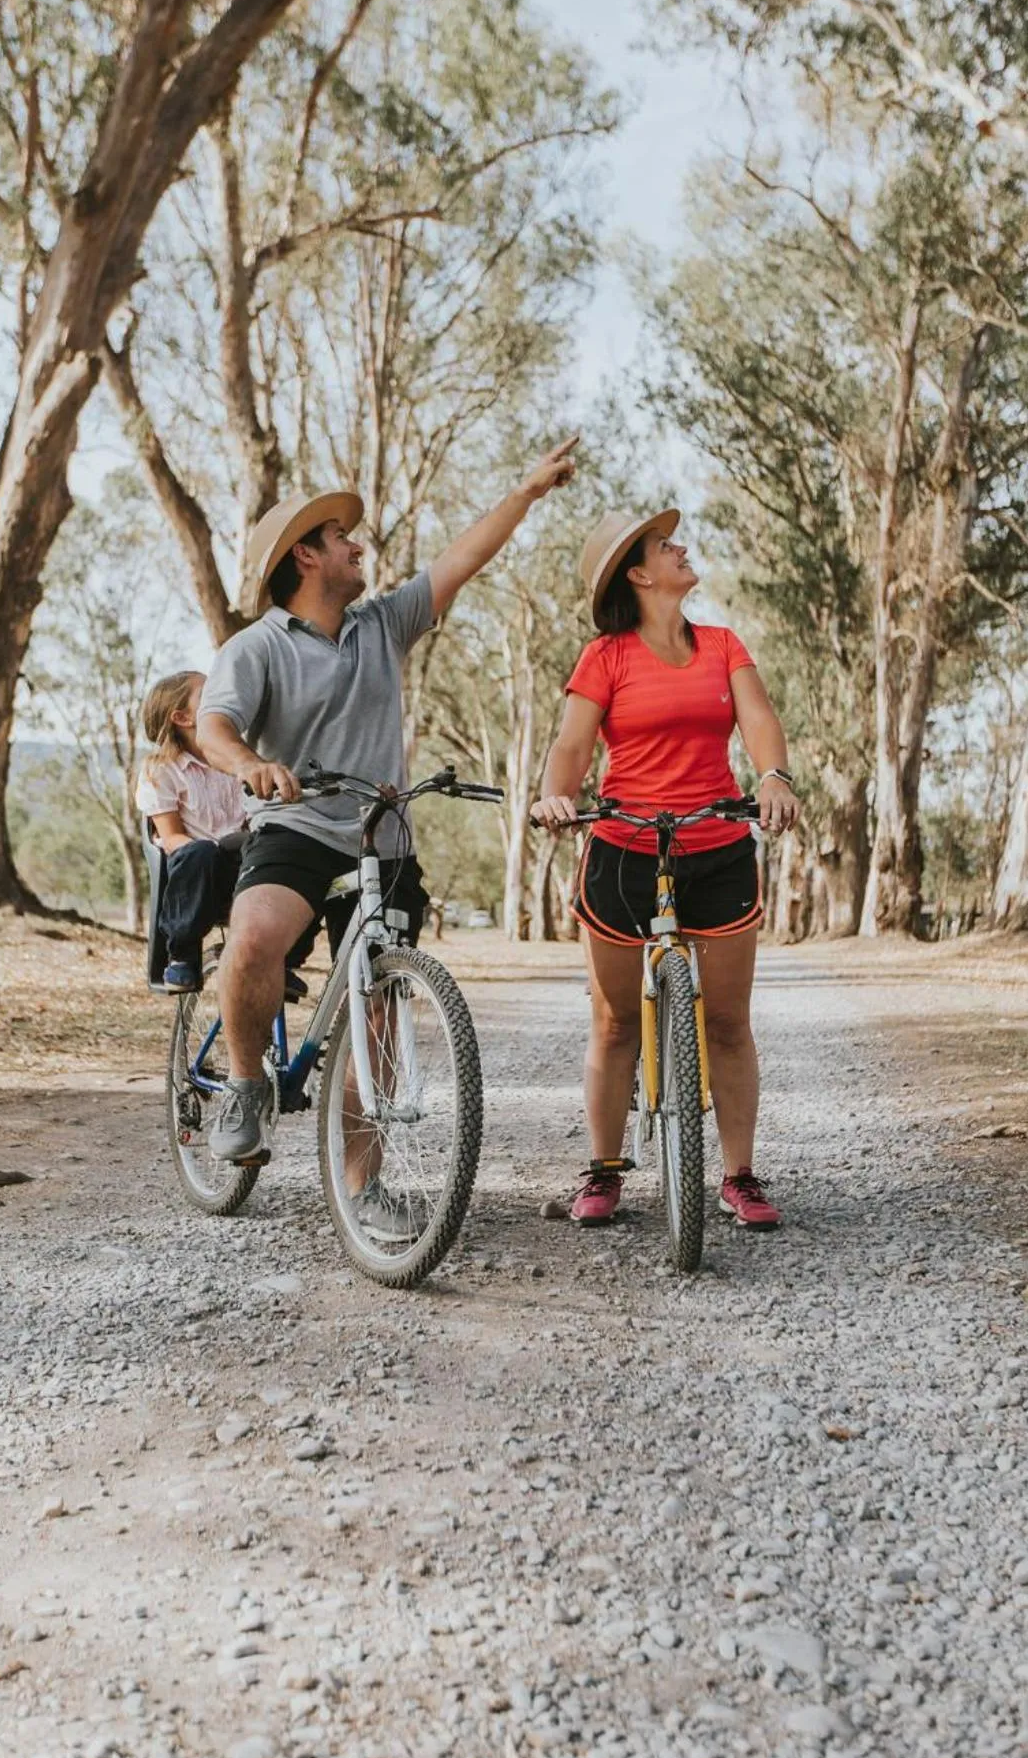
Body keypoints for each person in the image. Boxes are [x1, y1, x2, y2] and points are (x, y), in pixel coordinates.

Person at [196, 441, 579, 1215]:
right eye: (343, 539)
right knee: (254, 939)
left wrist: (528, 489)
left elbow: (461, 559)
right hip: (297, 827)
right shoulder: (258, 646)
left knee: (379, 1010)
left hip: (382, 838)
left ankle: (365, 1187)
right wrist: (251, 765)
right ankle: (243, 1087)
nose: (358, 545)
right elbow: (213, 727)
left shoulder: (382, 624)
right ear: (306, 555)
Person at [531, 507, 800, 1230]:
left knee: (728, 1022)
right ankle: (604, 1168)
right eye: (663, 545)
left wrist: (773, 776)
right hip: (622, 848)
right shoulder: (605, 656)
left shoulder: (721, 644)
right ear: (639, 574)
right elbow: (571, 743)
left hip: (716, 845)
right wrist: (558, 794)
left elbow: (760, 719)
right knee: (615, 1023)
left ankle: (738, 1175)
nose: (681, 547)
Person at [135, 669, 247, 990]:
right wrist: (208, 849)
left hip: (240, 863)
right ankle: (182, 954)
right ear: (183, 717)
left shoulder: (236, 758)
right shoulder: (162, 769)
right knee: (200, 851)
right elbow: (170, 837)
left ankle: (284, 956)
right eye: (208, 694)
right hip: (195, 871)